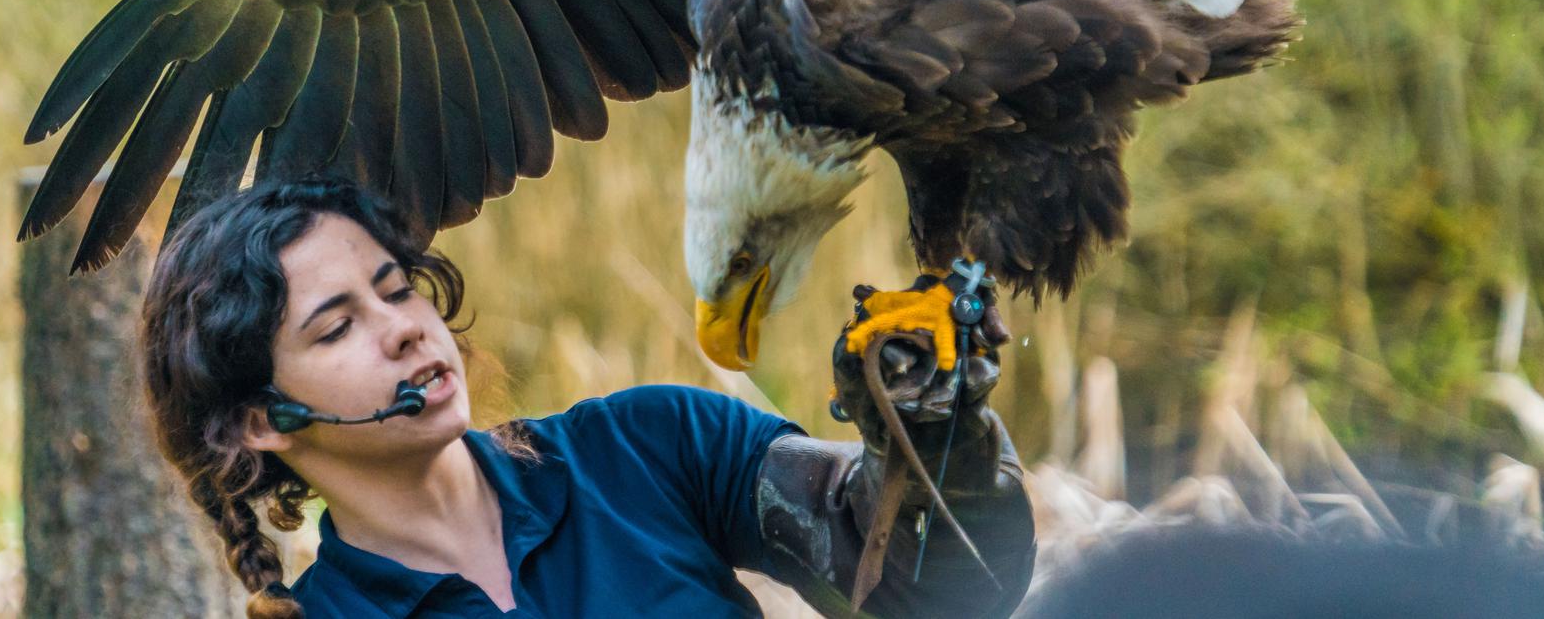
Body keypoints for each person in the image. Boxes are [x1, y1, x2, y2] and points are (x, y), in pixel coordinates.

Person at [139, 179, 1037, 618]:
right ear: (262, 419)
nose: (405, 328)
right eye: (336, 328)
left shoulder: (651, 447)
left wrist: (936, 442)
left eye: (397, 287)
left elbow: (950, 589)